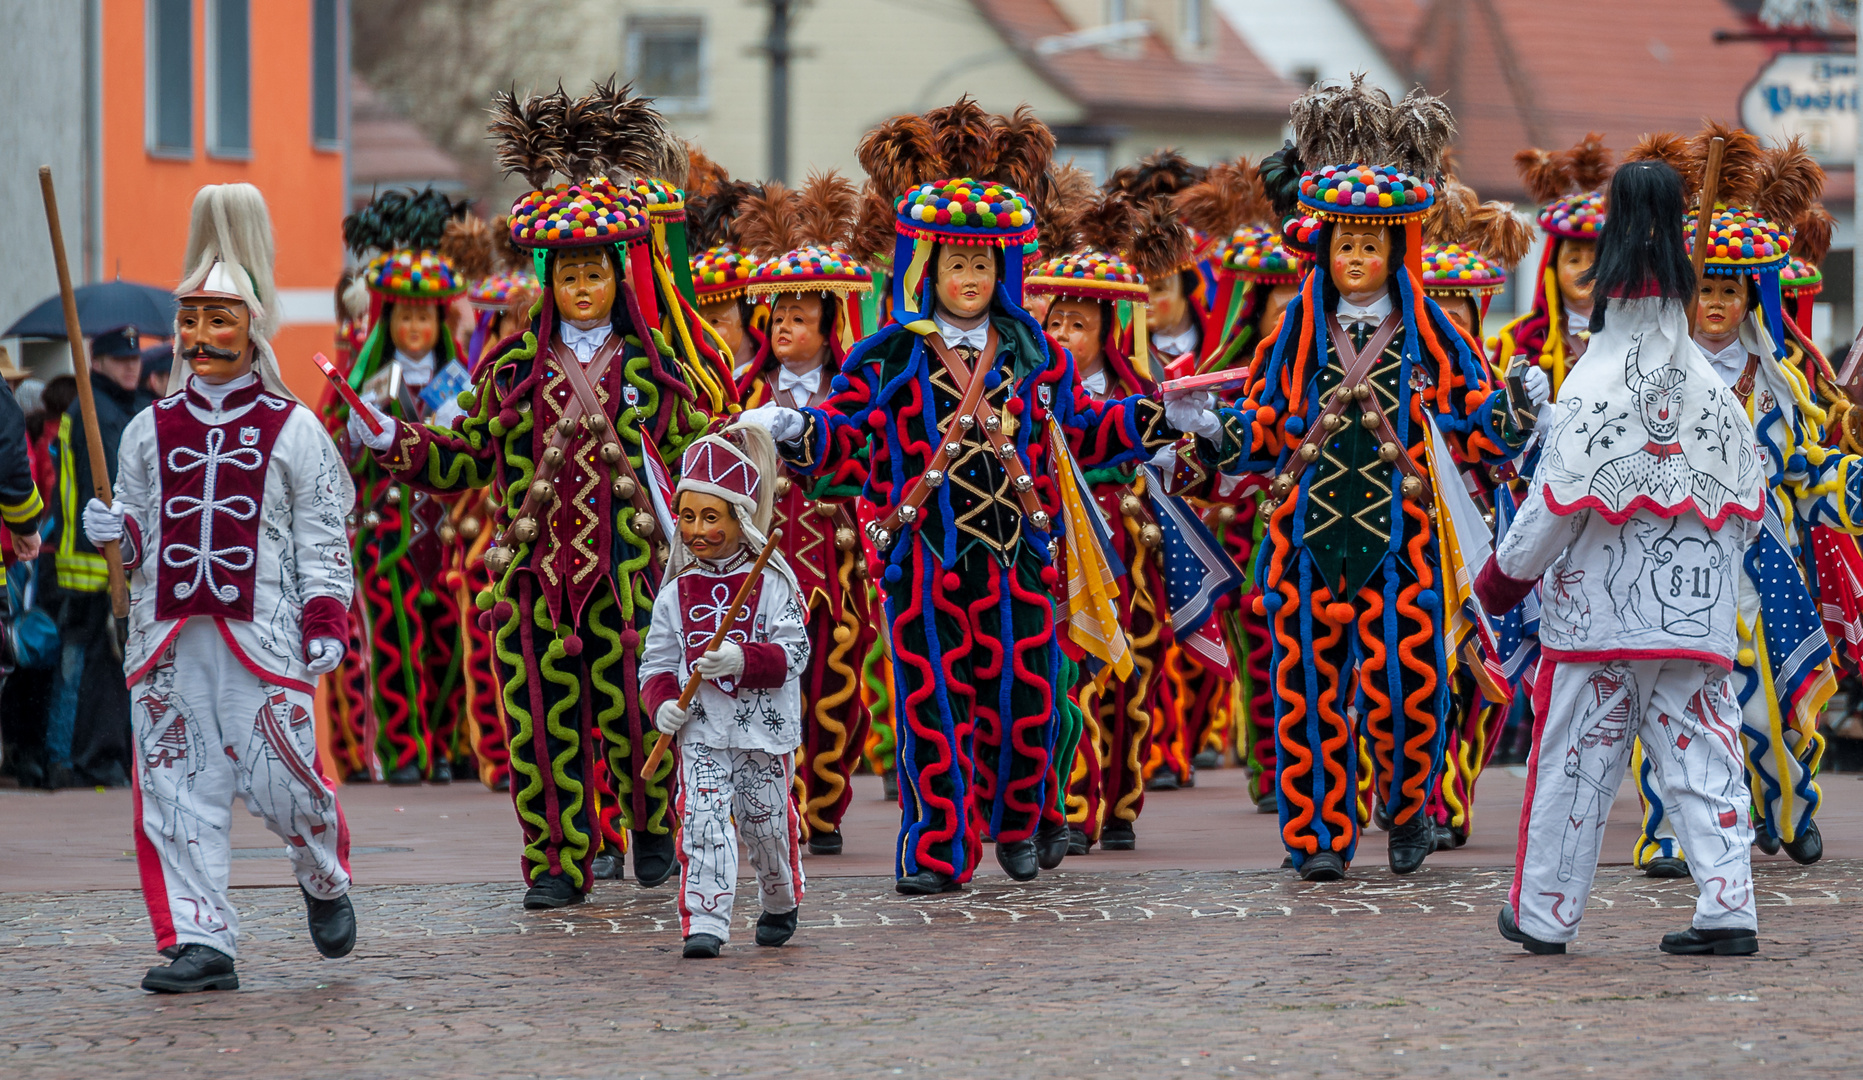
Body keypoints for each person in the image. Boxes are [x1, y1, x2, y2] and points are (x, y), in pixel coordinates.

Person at [741, 99, 1218, 893]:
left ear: (1005, 272)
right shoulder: (886, 353)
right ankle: (936, 854)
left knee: (1025, 705)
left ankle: (1024, 822)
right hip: (923, 561)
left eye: (983, 266)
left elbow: (1085, 432)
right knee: (931, 717)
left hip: (1018, 557)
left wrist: (1156, 416)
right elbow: (848, 435)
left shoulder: (1035, 355)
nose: (969, 280)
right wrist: (795, 430)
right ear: (926, 268)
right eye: (955, 265)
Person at [349, 82, 710, 908]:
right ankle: (555, 861)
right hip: (532, 579)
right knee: (541, 732)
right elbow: (465, 456)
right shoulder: (510, 372)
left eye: (595, 272)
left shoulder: (658, 372)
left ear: (618, 275)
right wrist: (392, 440)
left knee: (636, 718)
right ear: (548, 279)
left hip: (631, 582)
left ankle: (651, 826)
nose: (582, 288)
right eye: (569, 274)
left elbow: (697, 468)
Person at [1204, 78, 1544, 881]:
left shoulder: (1429, 328)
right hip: (1305, 544)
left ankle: (1410, 814)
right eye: (1344, 245)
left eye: (1371, 246)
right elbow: (1262, 424)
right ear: (1323, 251)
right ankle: (1316, 835)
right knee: (1307, 696)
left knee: (1406, 690)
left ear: (1397, 251)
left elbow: (1473, 419)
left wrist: (1517, 411)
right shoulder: (1292, 329)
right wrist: (1217, 436)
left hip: (1406, 542)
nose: (1356, 259)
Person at [1478, 159, 1765, 957]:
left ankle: (1543, 913)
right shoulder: (1713, 389)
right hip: (1692, 619)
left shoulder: (1593, 381)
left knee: (1573, 762)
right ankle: (1727, 905)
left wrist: (1502, 581)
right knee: (1704, 753)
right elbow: (1749, 507)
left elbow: (1552, 501)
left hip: (1596, 621)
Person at [82, 182, 358, 991]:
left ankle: (322, 872)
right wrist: (116, 534)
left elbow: (323, 531)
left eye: (219, 320)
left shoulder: (292, 427)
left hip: (266, 639)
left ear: (251, 328)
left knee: (285, 783)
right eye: (191, 320)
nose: (201, 337)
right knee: (176, 789)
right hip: (168, 640)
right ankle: (204, 942)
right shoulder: (145, 429)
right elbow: (137, 525)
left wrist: (326, 614)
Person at [1629, 129, 1859, 877]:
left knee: (1766, 705)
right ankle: (1666, 835)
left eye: (1731, 289)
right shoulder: (1649, 374)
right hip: (1668, 560)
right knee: (1666, 706)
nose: (1717, 304)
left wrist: (1843, 485)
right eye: (1704, 288)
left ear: (1750, 295)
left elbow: (1800, 470)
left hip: (1761, 563)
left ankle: (1789, 814)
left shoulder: (1778, 381)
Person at [731, 174, 880, 857]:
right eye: (776, 314)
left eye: (798, 314)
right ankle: (769, 803)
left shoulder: (858, 391)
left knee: (834, 686)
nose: (783, 326)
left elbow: (871, 461)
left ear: (828, 321)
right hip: (758, 565)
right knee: (757, 679)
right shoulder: (740, 390)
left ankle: (823, 807)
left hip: (833, 558)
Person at [1024, 195, 1176, 855]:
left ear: (1106, 330)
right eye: (1053, 322)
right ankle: (1071, 806)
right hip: (1058, 548)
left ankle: (1118, 803)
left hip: (1124, 549)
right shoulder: (1030, 389)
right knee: (1067, 673)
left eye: (1076, 325)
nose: (1062, 336)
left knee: (1125, 674)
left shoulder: (1133, 391)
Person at [642, 425, 809, 958]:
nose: (696, 530)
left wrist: (743, 659)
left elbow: (795, 652)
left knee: (765, 830)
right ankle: (705, 922)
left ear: (739, 518)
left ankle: (780, 899)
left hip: (763, 733)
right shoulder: (673, 592)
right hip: (702, 733)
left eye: (710, 517)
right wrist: (664, 704)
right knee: (703, 821)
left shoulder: (775, 582)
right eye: (687, 517)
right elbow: (658, 662)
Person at [328, 188, 474, 786]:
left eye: (425, 316)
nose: (415, 326)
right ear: (389, 320)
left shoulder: (460, 379)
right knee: (393, 639)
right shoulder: (370, 380)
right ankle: (403, 748)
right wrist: (358, 435)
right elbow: (337, 448)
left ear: (439, 321)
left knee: (445, 643)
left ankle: (442, 745)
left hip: (445, 535)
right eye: (405, 316)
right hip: (384, 534)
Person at [43, 326, 153, 789]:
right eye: (118, 359)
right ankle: (66, 761)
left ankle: (104, 756)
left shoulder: (129, 408)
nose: (131, 366)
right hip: (87, 567)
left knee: (109, 673)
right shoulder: (91, 412)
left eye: (135, 359)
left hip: (117, 566)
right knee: (79, 669)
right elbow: (103, 490)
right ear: (97, 360)